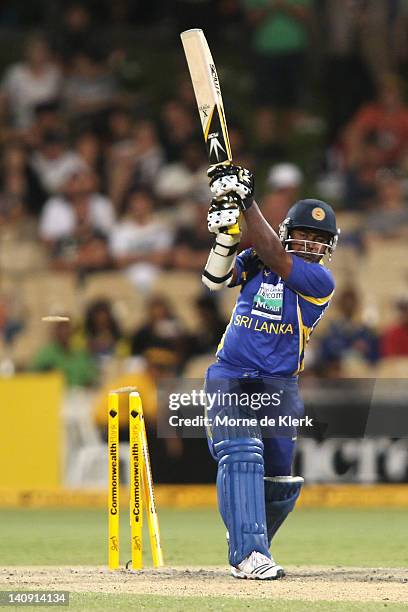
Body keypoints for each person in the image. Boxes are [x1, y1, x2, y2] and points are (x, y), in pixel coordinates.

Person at [202, 163, 339, 579]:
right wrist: (226, 240)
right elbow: (213, 279)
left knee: (280, 482)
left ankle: (248, 537)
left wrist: (246, 202)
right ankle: (247, 554)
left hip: (280, 386)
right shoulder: (259, 257)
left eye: (320, 240)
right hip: (231, 374)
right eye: (304, 234)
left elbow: (277, 258)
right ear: (287, 232)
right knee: (242, 454)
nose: (311, 245)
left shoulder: (319, 280)